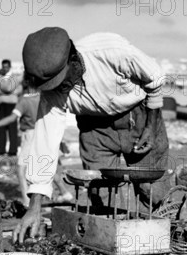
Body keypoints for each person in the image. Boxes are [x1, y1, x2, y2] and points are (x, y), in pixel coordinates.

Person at [13, 28, 168, 242]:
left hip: (139, 116)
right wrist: (34, 207)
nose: (60, 88)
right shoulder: (51, 94)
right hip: (93, 126)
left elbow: (156, 78)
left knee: (153, 190)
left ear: (74, 59)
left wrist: (151, 126)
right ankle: (116, 245)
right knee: (102, 196)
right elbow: (44, 145)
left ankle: (154, 240)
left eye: (61, 80)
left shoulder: (110, 51)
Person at [0, 78, 74, 207]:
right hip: (45, 132)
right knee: (47, 167)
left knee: (21, 169)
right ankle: (65, 193)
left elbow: (12, 118)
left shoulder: (25, 101)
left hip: (30, 135)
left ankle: (27, 201)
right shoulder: (44, 98)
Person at [0, 59, 22, 156]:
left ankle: (13, 150)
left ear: (10, 67)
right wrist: (3, 92)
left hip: (12, 104)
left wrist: (4, 91)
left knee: (12, 127)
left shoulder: (15, 78)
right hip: (2, 104)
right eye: (3, 67)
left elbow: (16, 89)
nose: (5, 68)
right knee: (1, 127)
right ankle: (2, 149)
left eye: (7, 67)